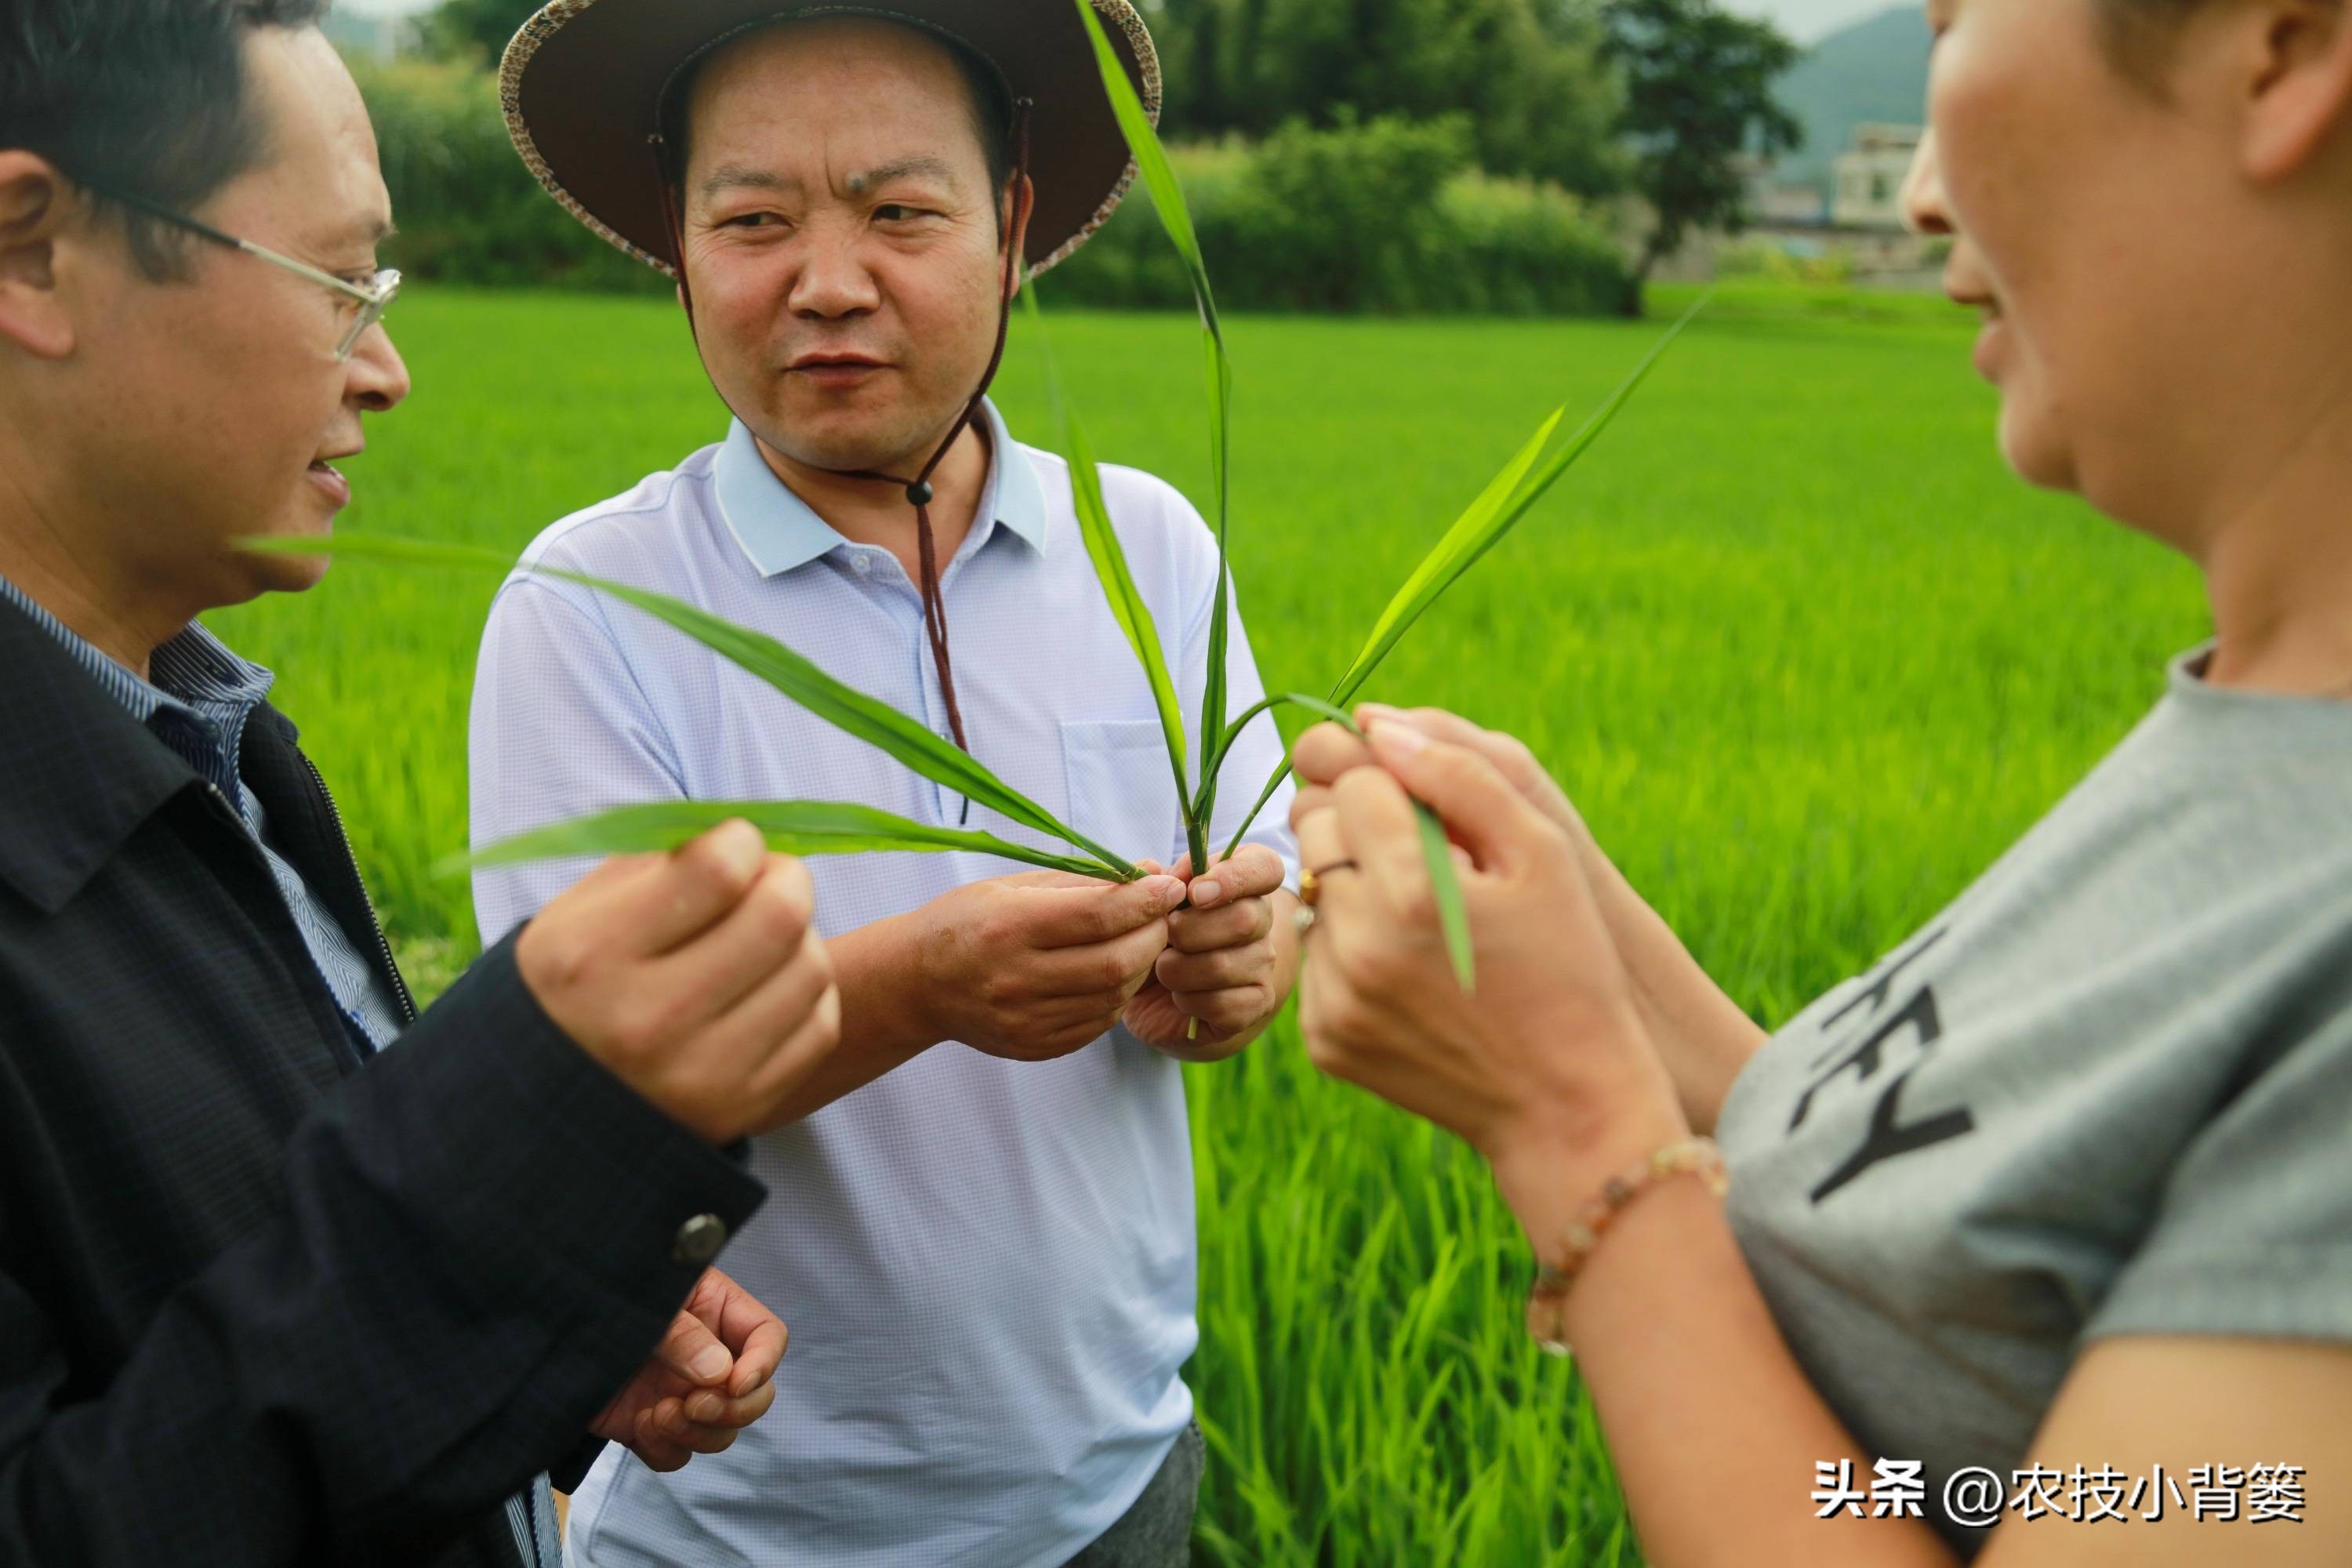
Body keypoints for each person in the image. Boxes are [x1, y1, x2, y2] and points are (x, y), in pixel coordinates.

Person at [1283, 0, 2352, 1561]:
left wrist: (1575, 1126)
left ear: (2288, 47)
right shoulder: (2260, 721)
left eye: (1956, 14)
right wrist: (1616, 979)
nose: (1921, 190)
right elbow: (1969, 1233)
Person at [0, 4, 843, 1563]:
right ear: (33, 252)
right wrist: (511, 1165)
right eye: (339, 283)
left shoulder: (208, 734)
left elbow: (253, 1297)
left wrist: (529, 1308)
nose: (383, 371)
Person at [468, 2, 1301, 1562]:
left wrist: (1243, 962)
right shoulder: (596, 603)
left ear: (1015, 222)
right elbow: (568, 1102)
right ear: (681, 239)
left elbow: (1272, 908)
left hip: (1114, 1487)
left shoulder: (1155, 555)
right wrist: (920, 983)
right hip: (746, 1531)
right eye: (755, 219)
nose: (828, 282)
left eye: (904, 212)